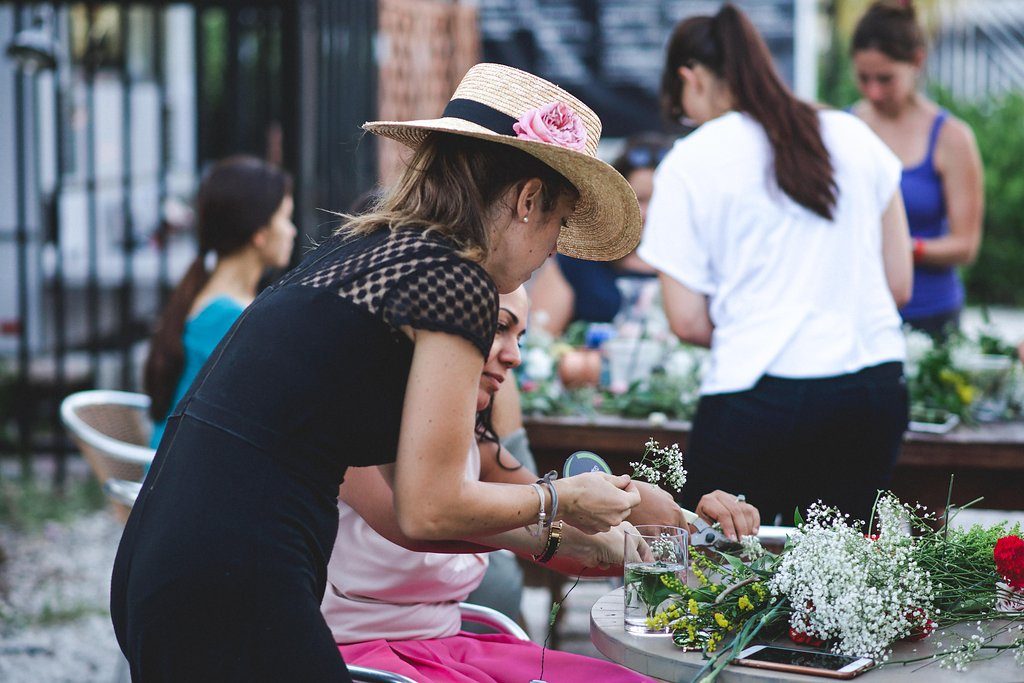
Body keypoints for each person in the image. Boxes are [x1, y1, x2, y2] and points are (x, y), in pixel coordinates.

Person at [111, 63, 646, 681]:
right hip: (239, 570)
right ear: (528, 200)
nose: (555, 245)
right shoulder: (456, 279)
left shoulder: (372, 254)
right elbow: (430, 509)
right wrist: (564, 498)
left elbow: (414, 513)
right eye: (558, 222)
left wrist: (578, 540)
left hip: (169, 555)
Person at [322, 286, 760, 682]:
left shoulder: (475, 440)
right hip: (362, 662)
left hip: (453, 649)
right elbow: (433, 521)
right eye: (498, 328)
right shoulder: (356, 427)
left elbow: (555, 518)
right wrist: (577, 524)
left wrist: (693, 527)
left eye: (521, 338)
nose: (514, 356)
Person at [638, 4, 913, 526]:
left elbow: (688, 321)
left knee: (718, 575)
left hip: (758, 395)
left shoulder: (690, 162)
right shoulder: (854, 136)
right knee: (841, 579)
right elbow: (898, 285)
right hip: (874, 390)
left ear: (688, 79)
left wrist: (758, 318)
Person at [850, 0, 984, 338]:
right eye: (863, 78)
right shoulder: (846, 127)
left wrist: (906, 248)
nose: (873, 91)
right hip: (860, 310)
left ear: (917, 62)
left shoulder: (952, 138)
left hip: (930, 314)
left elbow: (965, 245)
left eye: (885, 79)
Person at [144, 155, 296, 447]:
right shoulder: (228, 316)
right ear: (260, 234)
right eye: (285, 218)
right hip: (188, 480)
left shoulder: (211, 295)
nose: (292, 230)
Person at [530, 133, 673, 337]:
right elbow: (541, 338)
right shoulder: (579, 260)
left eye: (661, 201)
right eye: (639, 200)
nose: (649, 212)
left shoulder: (693, 265)